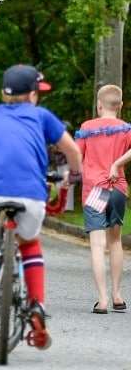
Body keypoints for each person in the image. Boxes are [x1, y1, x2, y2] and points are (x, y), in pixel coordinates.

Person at [0, 64, 82, 349]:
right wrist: (74, 175)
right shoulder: (42, 117)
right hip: (30, 194)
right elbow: (72, 151)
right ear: (34, 95)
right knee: (30, 244)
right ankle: (36, 307)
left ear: (3, 93)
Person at [74, 84, 130, 313]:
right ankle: (117, 295)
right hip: (118, 188)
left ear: (99, 105)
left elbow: (77, 158)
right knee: (115, 240)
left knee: (98, 245)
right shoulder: (126, 129)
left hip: (97, 190)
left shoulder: (88, 127)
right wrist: (117, 164)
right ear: (121, 106)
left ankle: (103, 300)